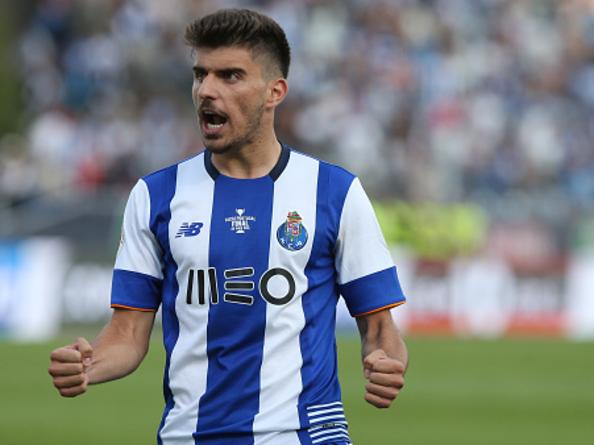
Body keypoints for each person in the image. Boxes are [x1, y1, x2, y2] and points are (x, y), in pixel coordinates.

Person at [48, 8, 408, 445]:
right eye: (201, 75)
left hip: (305, 435)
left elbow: (379, 329)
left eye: (230, 76)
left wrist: (387, 363)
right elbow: (127, 334)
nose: (207, 90)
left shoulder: (334, 192)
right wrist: (88, 364)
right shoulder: (155, 195)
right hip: (189, 435)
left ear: (275, 91)